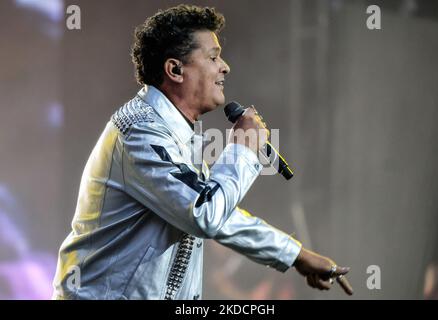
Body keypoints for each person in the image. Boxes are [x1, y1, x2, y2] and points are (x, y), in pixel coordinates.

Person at [52, 4, 353, 300]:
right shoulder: (140, 132)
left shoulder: (172, 131)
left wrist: (296, 254)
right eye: (212, 57)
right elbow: (204, 213)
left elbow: (218, 215)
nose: (225, 66)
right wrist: (243, 149)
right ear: (175, 69)